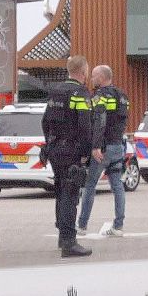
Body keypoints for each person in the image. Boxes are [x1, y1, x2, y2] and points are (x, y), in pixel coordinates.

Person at [42, 56, 93, 257]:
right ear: (83, 72)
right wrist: (84, 155)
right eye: (87, 70)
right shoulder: (80, 93)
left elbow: (45, 121)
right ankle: (69, 242)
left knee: (61, 191)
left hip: (55, 149)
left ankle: (62, 237)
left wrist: (50, 143)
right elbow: (85, 126)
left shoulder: (55, 91)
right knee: (71, 195)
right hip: (71, 150)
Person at [77, 65, 128, 237]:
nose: (91, 79)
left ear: (101, 77)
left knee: (90, 185)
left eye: (93, 76)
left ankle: (82, 226)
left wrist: (96, 146)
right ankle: (118, 226)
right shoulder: (122, 96)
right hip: (118, 146)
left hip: (103, 148)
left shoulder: (100, 96)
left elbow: (99, 121)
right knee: (117, 186)